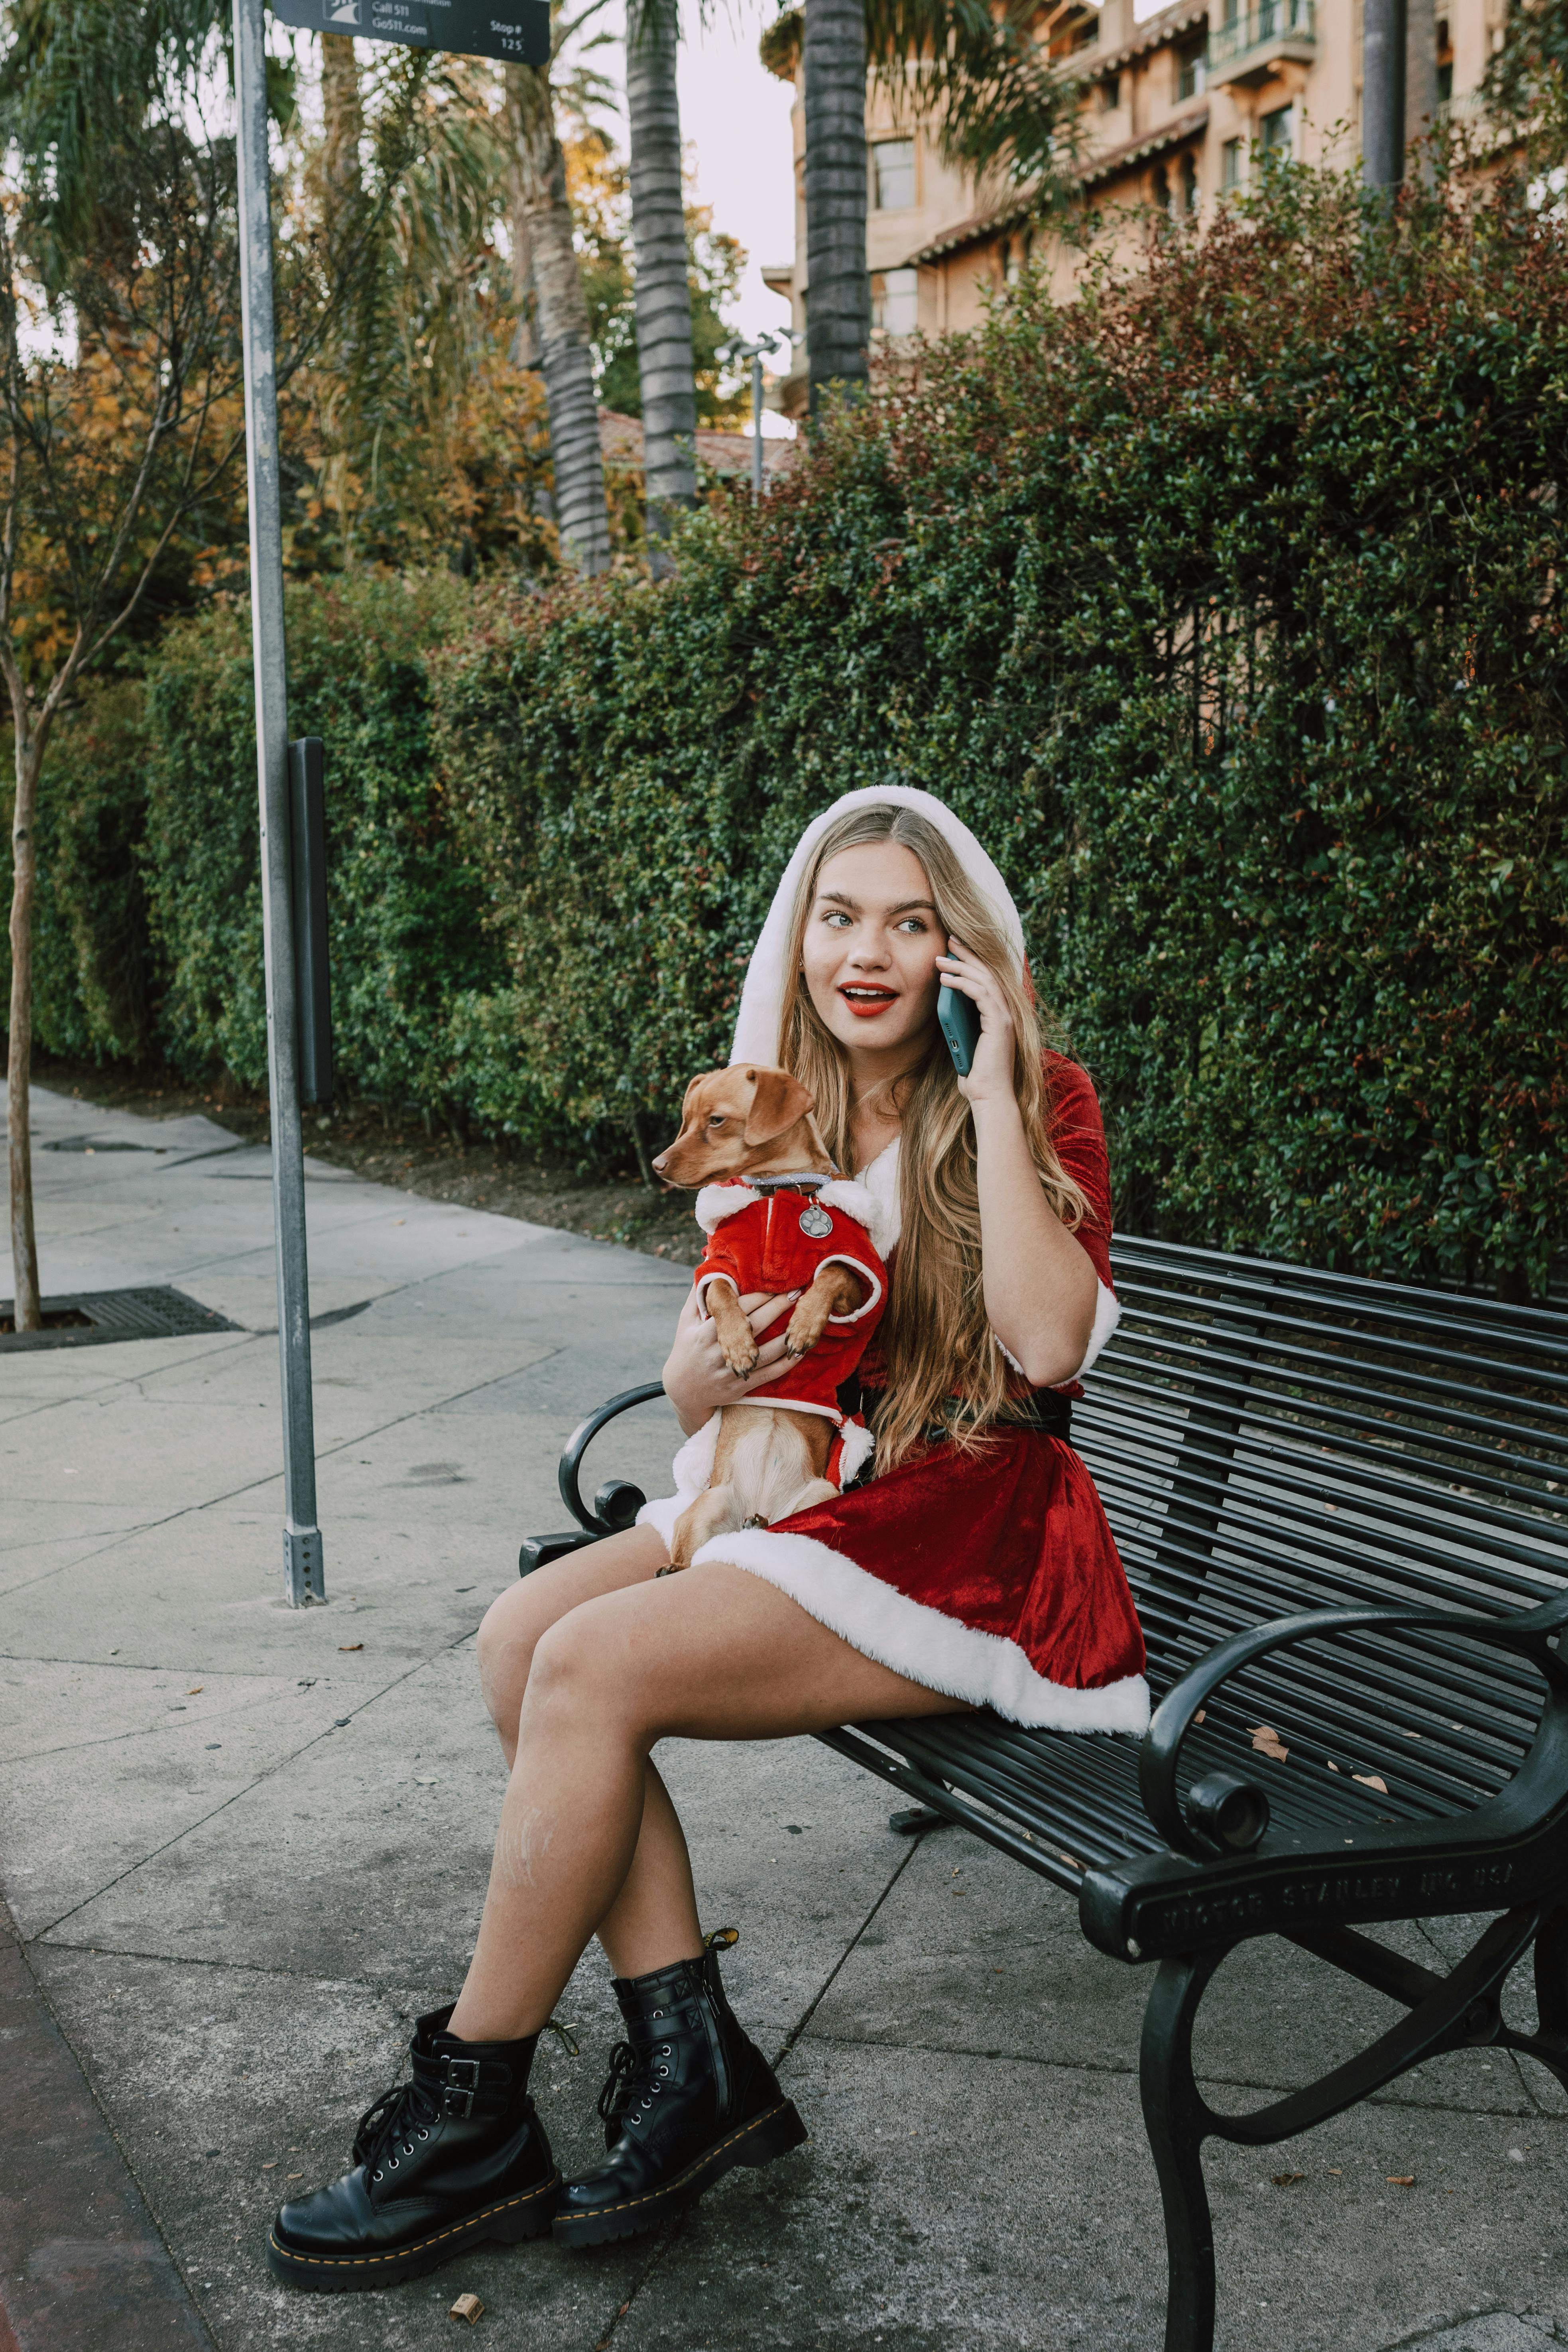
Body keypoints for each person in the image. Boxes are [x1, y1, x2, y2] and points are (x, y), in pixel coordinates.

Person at [267, 787, 1149, 2293]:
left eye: (909, 922)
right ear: (801, 931)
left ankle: (476, 2111)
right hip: (812, 1484)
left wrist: (990, 1092)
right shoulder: (774, 1100)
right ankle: (692, 2069)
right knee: (516, 1639)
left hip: (971, 1532)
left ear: (961, 954)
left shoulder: (1035, 1091)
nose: (866, 952)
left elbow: (1051, 1346)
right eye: (839, 913)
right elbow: (690, 1374)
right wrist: (722, 1360)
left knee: (593, 1668)